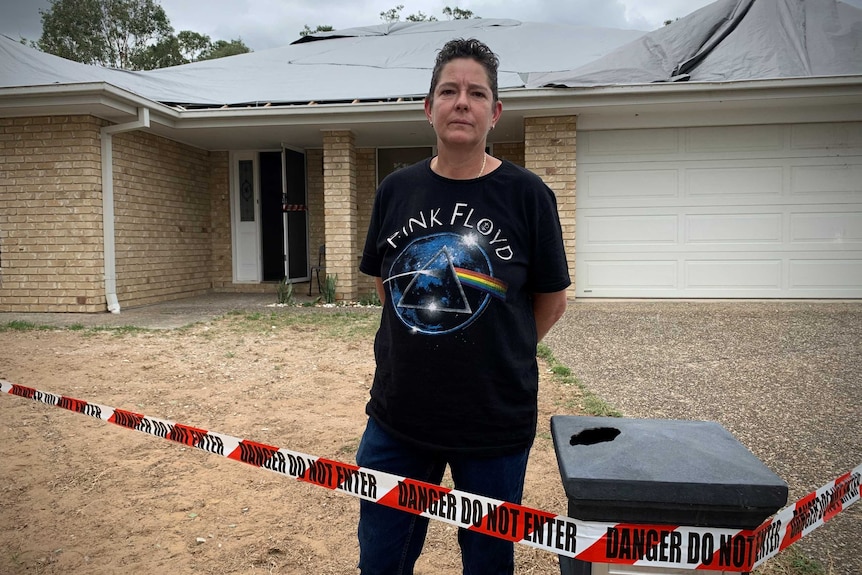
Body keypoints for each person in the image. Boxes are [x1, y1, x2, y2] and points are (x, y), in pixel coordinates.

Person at [356, 37, 570, 575]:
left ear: (494, 113)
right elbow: (388, 283)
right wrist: (431, 328)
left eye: (477, 93)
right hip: (398, 418)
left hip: (493, 422)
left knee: (488, 565)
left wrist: (495, 347)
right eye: (449, 91)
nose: (462, 102)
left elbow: (551, 299)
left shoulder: (528, 194)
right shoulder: (395, 190)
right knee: (382, 562)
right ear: (428, 108)